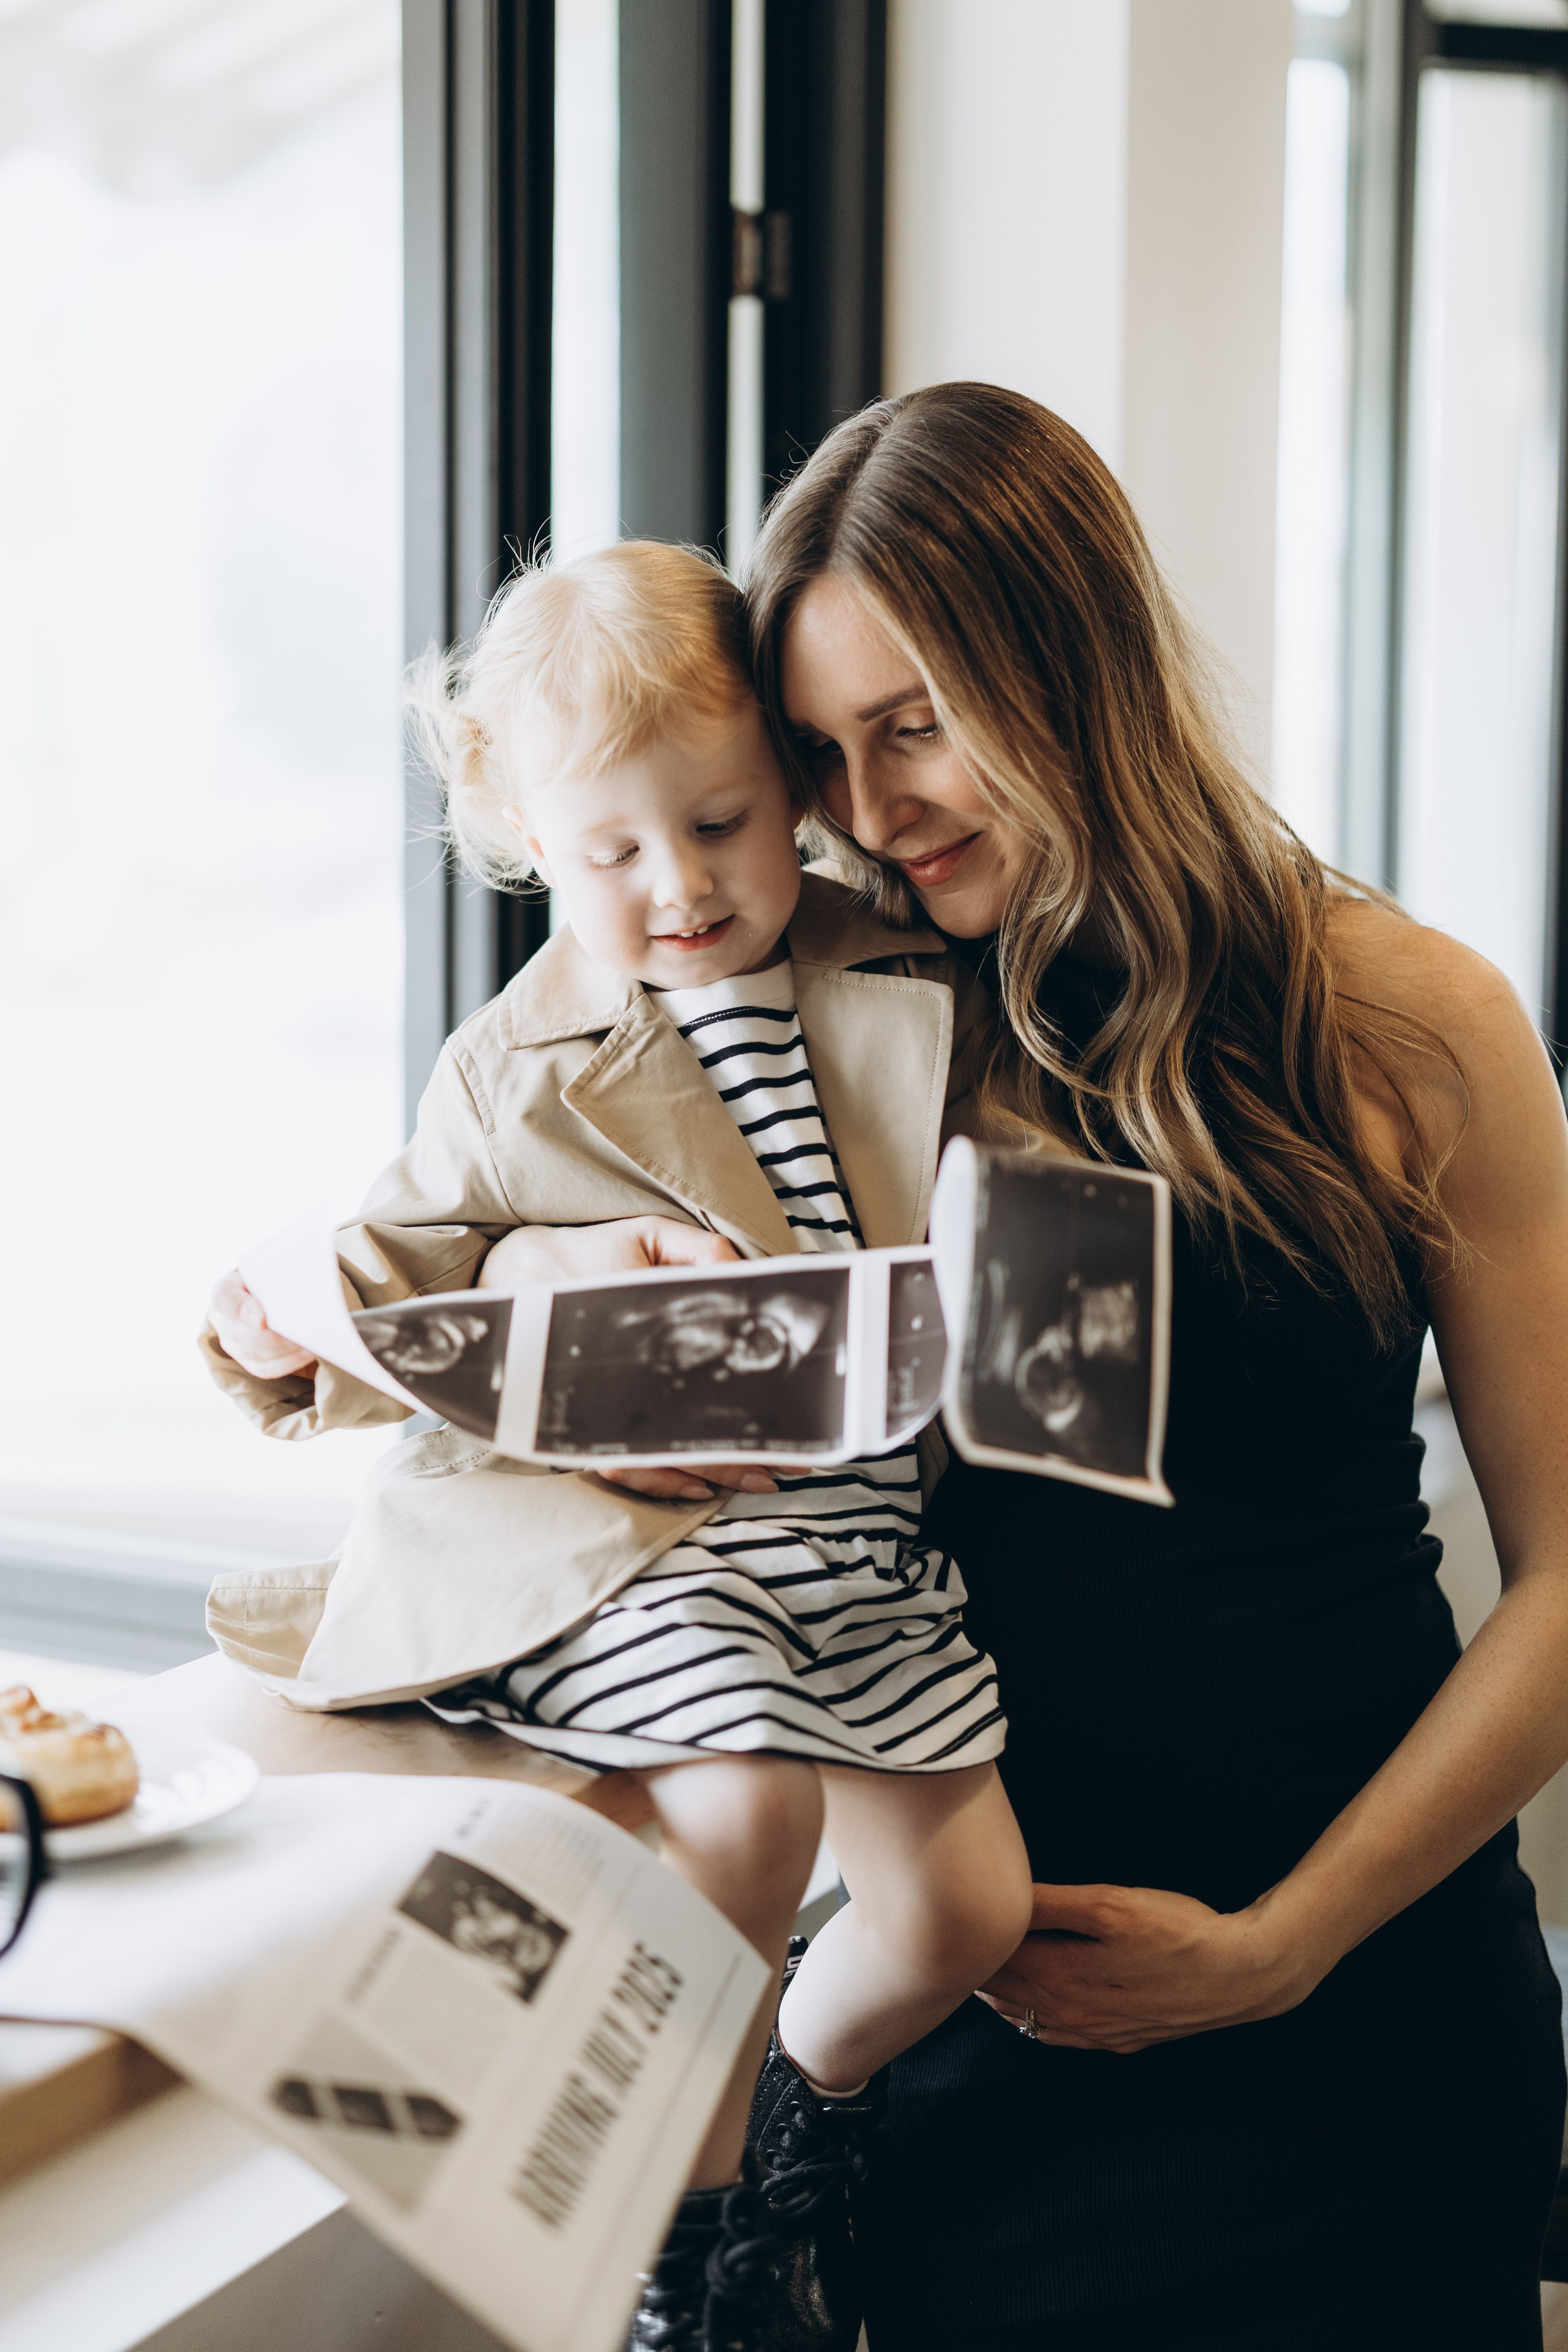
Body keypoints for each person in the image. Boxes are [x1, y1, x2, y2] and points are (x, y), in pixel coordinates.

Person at [527, 385, 1568, 2349]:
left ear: (1069, 661)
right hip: (988, 2037)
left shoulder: (1410, 1018)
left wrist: (1286, 1944)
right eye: (824, 755)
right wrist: (338, 1282)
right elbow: (499, 1143)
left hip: (1370, 2021)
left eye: (913, 723)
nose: (877, 803)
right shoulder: (836, 1006)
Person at [202, 540, 1032, 2352]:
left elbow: (1022, 1187)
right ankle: (696, 2241)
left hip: (857, 1537)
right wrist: (296, 1312)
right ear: (527, 842)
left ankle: (789, 2125)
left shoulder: (898, 963)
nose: (679, 888)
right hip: (644, 1553)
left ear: (790, 792)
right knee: (745, 1805)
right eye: (614, 854)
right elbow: (386, 1276)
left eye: (724, 826)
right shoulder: (515, 1066)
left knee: (973, 1905)